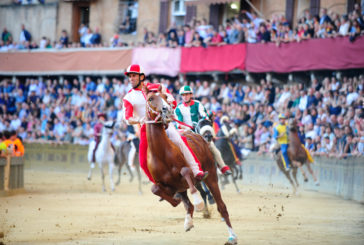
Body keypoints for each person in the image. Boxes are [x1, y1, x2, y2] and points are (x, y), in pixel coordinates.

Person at [122, 64, 208, 183]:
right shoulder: (128, 97)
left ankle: (196, 170)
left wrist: (170, 106)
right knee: (142, 161)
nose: (131, 78)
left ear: (141, 77)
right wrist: (138, 120)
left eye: (134, 76)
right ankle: (158, 184)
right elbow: (127, 118)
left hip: (163, 124)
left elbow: (171, 100)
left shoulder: (157, 87)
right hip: (146, 129)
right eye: (130, 76)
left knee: (179, 141)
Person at [175, 85, 232, 175]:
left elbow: (203, 114)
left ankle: (223, 167)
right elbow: (179, 123)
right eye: (183, 95)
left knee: (212, 146)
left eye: (187, 94)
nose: (185, 96)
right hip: (186, 131)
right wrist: (189, 128)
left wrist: (206, 117)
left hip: (198, 130)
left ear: (191, 95)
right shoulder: (178, 108)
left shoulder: (198, 104)